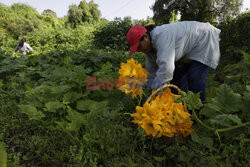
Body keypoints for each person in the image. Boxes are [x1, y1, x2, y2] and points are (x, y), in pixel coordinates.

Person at [126, 21, 221, 102]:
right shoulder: (148, 50)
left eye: (139, 47)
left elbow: (166, 69)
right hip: (188, 49)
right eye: (136, 49)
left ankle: (198, 111)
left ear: (146, 37)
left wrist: (156, 92)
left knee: (195, 77)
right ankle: (181, 106)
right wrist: (150, 88)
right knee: (176, 80)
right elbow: (151, 73)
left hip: (204, 38)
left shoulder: (162, 36)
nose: (139, 50)